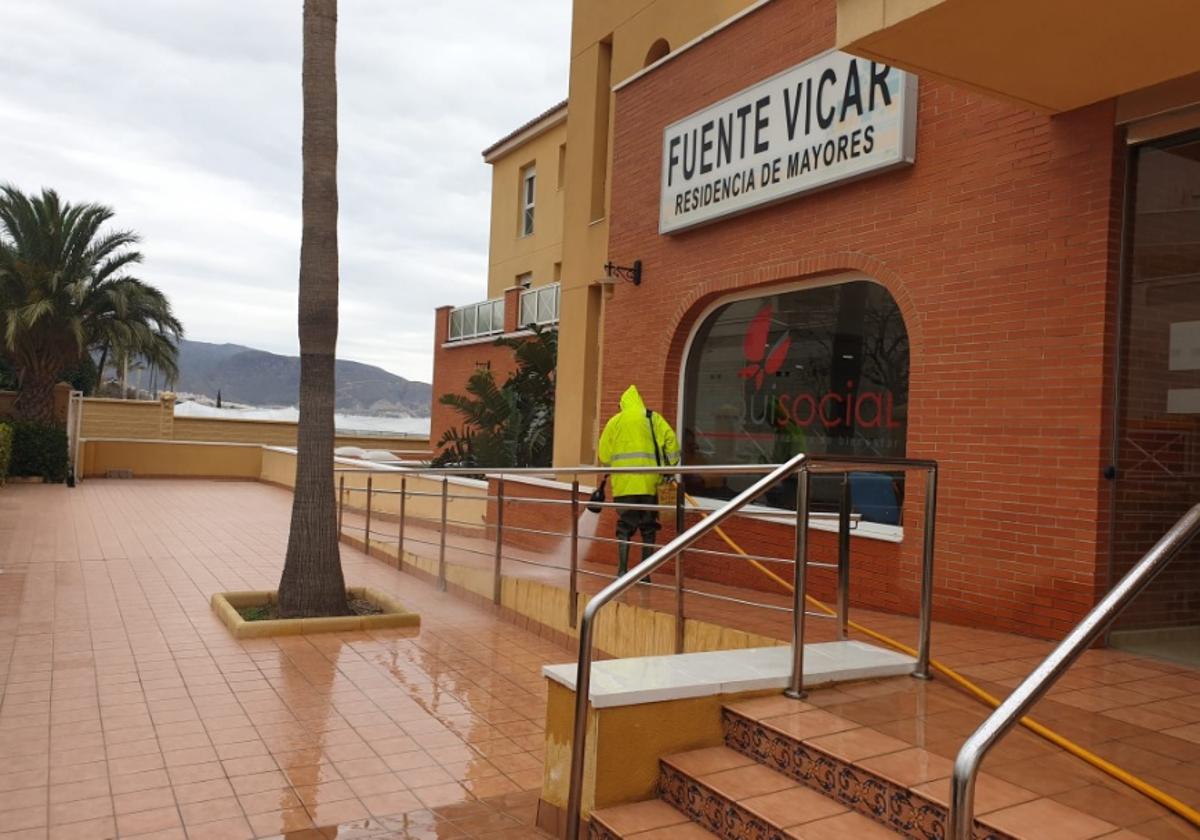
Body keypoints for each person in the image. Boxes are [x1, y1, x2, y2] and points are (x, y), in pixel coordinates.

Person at [597, 385, 680, 581]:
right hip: (650, 484)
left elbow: (604, 455)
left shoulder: (615, 422)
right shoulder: (652, 418)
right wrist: (670, 465)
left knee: (625, 527)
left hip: (624, 486)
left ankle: (622, 571)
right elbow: (672, 442)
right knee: (648, 527)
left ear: (623, 405)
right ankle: (645, 574)